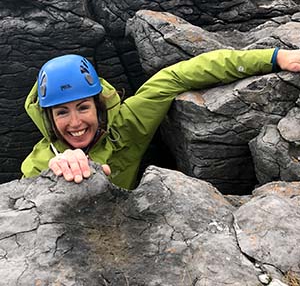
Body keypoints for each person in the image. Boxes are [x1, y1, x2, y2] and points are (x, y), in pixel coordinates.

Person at [21, 48, 300, 189]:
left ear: (99, 107)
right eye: (61, 112)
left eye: (83, 107)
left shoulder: (127, 126)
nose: (75, 123)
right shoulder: (40, 162)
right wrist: (52, 173)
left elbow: (180, 74)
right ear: (48, 119)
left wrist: (275, 57)